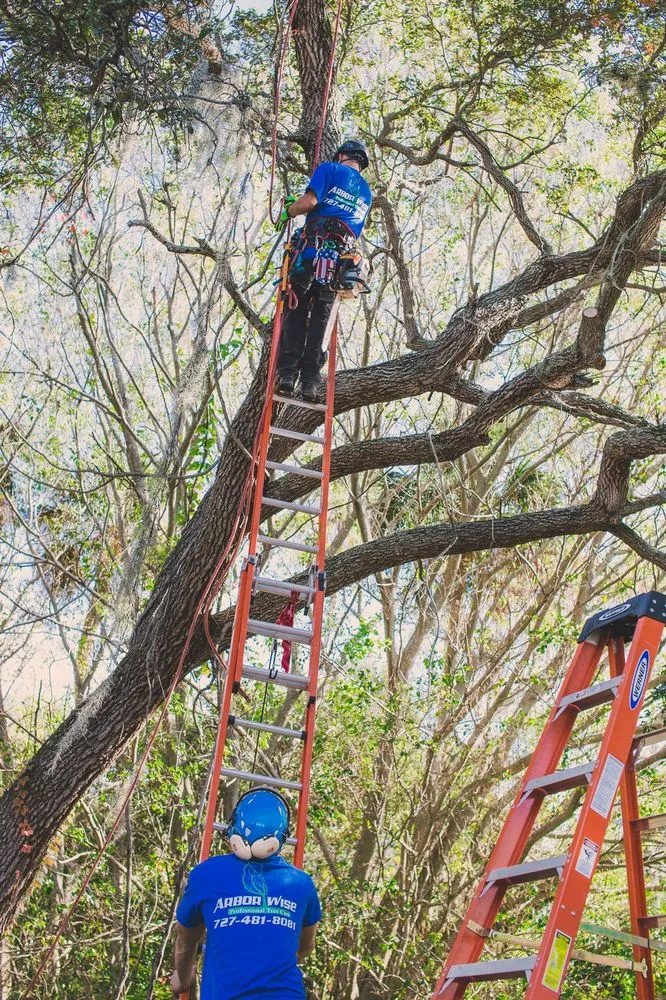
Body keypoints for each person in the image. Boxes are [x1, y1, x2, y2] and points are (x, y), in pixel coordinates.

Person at [171, 788, 321, 1000]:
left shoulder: (205, 875)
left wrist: (182, 978)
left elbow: (186, 941)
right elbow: (306, 946)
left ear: (234, 828)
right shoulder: (302, 883)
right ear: (279, 840)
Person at [276, 139, 372, 402]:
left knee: (296, 310)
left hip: (311, 251)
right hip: (339, 263)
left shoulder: (329, 169)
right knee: (321, 318)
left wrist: (289, 211)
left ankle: (287, 375)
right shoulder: (366, 192)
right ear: (361, 164)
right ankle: (309, 383)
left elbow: (309, 201)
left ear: (341, 155)